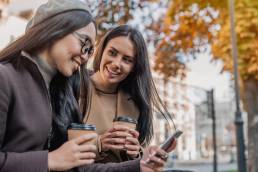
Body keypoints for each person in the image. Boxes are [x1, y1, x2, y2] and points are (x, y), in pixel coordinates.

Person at [0, 0, 176, 172]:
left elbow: (78, 167)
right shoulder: (5, 78)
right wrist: (50, 160)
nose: (85, 58)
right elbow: (59, 161)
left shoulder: (59, 92)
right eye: (84, 44)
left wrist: (139, 164)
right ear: (56, 29)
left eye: (90, 50)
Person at [81, 25, 176, 163]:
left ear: (134, 67)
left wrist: (136, 153)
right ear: (101, 51)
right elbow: (60, 147)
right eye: (112, 53)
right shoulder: (74, 88)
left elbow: (136, 156)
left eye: (127, 60)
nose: (116, 64)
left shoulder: (136, 102)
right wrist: (99, 144)